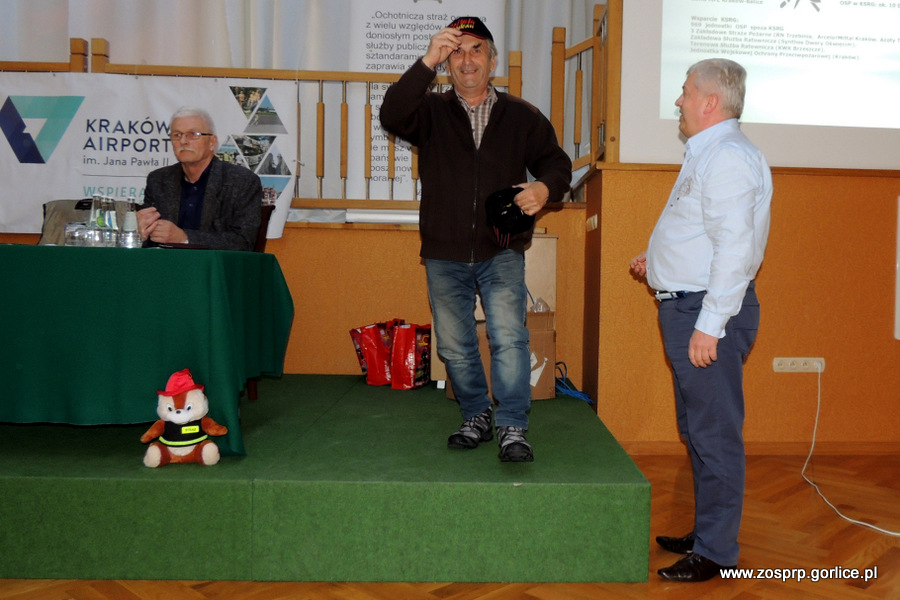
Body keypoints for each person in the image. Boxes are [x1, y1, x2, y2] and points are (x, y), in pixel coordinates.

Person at [380, 16, 571, 462]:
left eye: (476, 50)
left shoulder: (522, 116)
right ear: (447, 63)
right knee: (453, 345)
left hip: (501, 248)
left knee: (509, 338)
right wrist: (427, 58)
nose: (467, 60)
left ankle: (512, 425)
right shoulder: (429, 112)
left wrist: (544, 189)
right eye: (457, 52)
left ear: (492, 60)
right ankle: (476, 414)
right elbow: (391, 114)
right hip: (443, 251)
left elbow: (557, 164)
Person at [629, 58, 772, 582]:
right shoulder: (709, 152)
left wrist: (709, 326)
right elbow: (702, 233)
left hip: (707, 313)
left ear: (710, 101)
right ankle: (707, 531)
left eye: (686, 91)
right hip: (691, 306)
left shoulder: (727, 156)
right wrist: (657, 262)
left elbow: (735, 250)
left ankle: (716, 552)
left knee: (714, 436)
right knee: (698, 430)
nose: (678, 100)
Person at [139, 108, 262, 251]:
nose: (183, 141)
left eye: (193, 134)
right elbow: (148, 242)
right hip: (166, 263)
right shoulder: (158, 180)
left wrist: (185, 238)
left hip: (214, 264)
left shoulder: (241, 181)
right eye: (177, 135)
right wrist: (140, 233)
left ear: (212, 143)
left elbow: (243, 242)